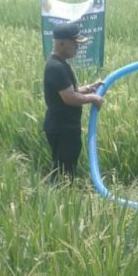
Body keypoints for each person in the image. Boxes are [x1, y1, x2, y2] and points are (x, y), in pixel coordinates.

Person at [43, 22, 104, 180]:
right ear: (62, 43)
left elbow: (69, 92)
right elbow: (69, 98)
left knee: (66, 165)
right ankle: (59, 197)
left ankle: (63, 194)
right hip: (61, 128)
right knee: (63, 169)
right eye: (75, 43)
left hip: (64, 126)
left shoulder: (59, 65)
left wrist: (89, 88)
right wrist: (92, 98)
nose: (78, 47)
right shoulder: (56, 67)